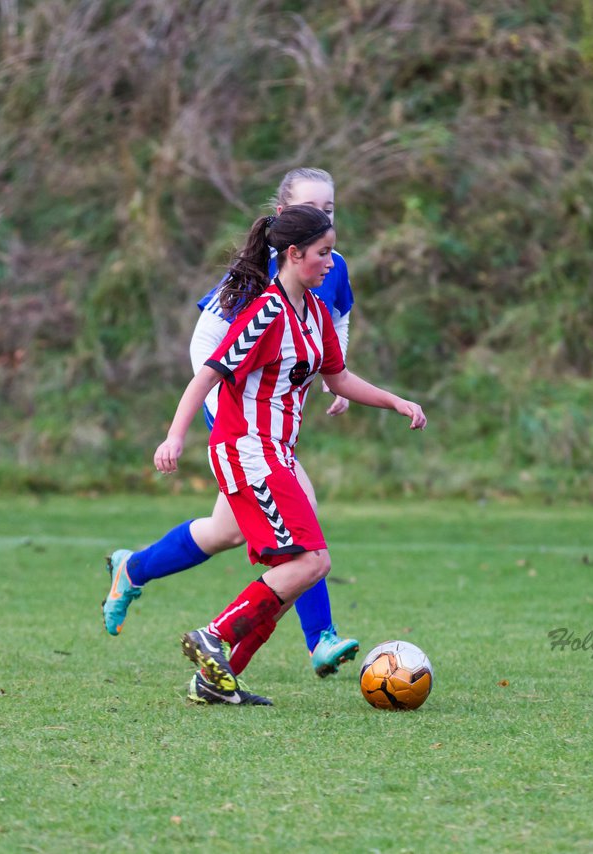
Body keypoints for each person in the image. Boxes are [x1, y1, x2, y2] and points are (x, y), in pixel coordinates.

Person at [155, 204, 426, 705]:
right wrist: (175, 436)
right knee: (308, 565)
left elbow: (338, 378)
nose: (331, 262)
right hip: (247, 451)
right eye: (323, 253)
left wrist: (395, 401)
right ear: (295, 254)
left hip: (274, 452)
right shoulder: (265, 313)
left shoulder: (316, 315)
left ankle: (217, 679)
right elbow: (208, 375)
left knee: (304, 570)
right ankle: (213, 636)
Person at [101, 168, 361, 678]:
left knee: (224, 532)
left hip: (275, 420)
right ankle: (320, 638)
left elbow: (339, 317)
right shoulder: (256, 274)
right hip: (242, 423)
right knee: (302, 520)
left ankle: (133, 569)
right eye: (312, 208)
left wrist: (331, 376)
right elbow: (207, 344)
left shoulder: (330, 266)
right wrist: (230, 406)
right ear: (282, 216)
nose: (324, 217)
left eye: (330, 209)